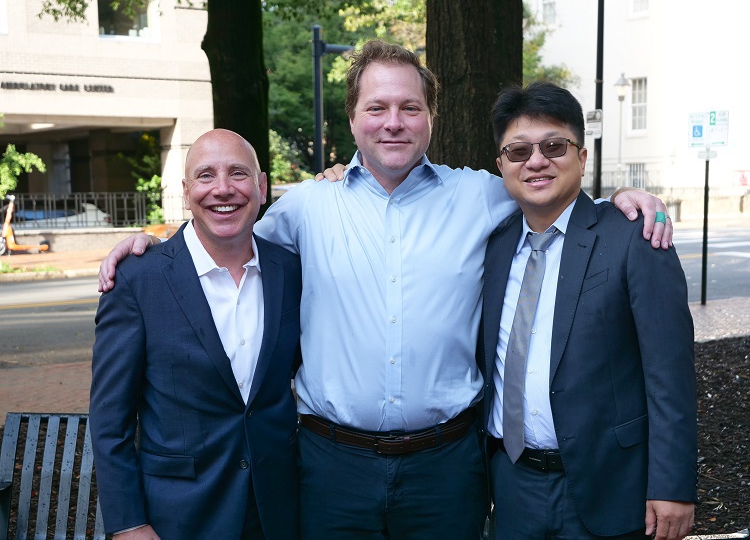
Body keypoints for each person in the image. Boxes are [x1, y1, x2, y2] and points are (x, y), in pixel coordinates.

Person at [98, 40, 672, 540]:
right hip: (330, 467)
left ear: (430, 118)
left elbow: (549, 187)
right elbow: (224, 233)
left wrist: (622, 199)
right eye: (377, 108)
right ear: (352, 120)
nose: (392, 122)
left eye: (409, 107)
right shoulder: (303, 207)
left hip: (447, 466)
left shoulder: (482, 196)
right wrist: (151, 244)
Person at [480, 82, 696, 540]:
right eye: (518, 151)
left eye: (553, 146)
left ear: (581, 156)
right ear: (501, 166)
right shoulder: (494, 248)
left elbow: (670, 374)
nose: (536, 161)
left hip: (611, 486)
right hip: (514, 487)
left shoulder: (633, 238)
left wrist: (673, 485)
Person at [90, 129, 302, 540]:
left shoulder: (290, 270)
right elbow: (109, 420)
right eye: (206, 176)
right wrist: (128, 523)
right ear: (187, 192)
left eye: (238, 174)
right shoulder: (139, 279)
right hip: (178, 516)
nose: (223, 189)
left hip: (276, 511)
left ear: (261, 187)